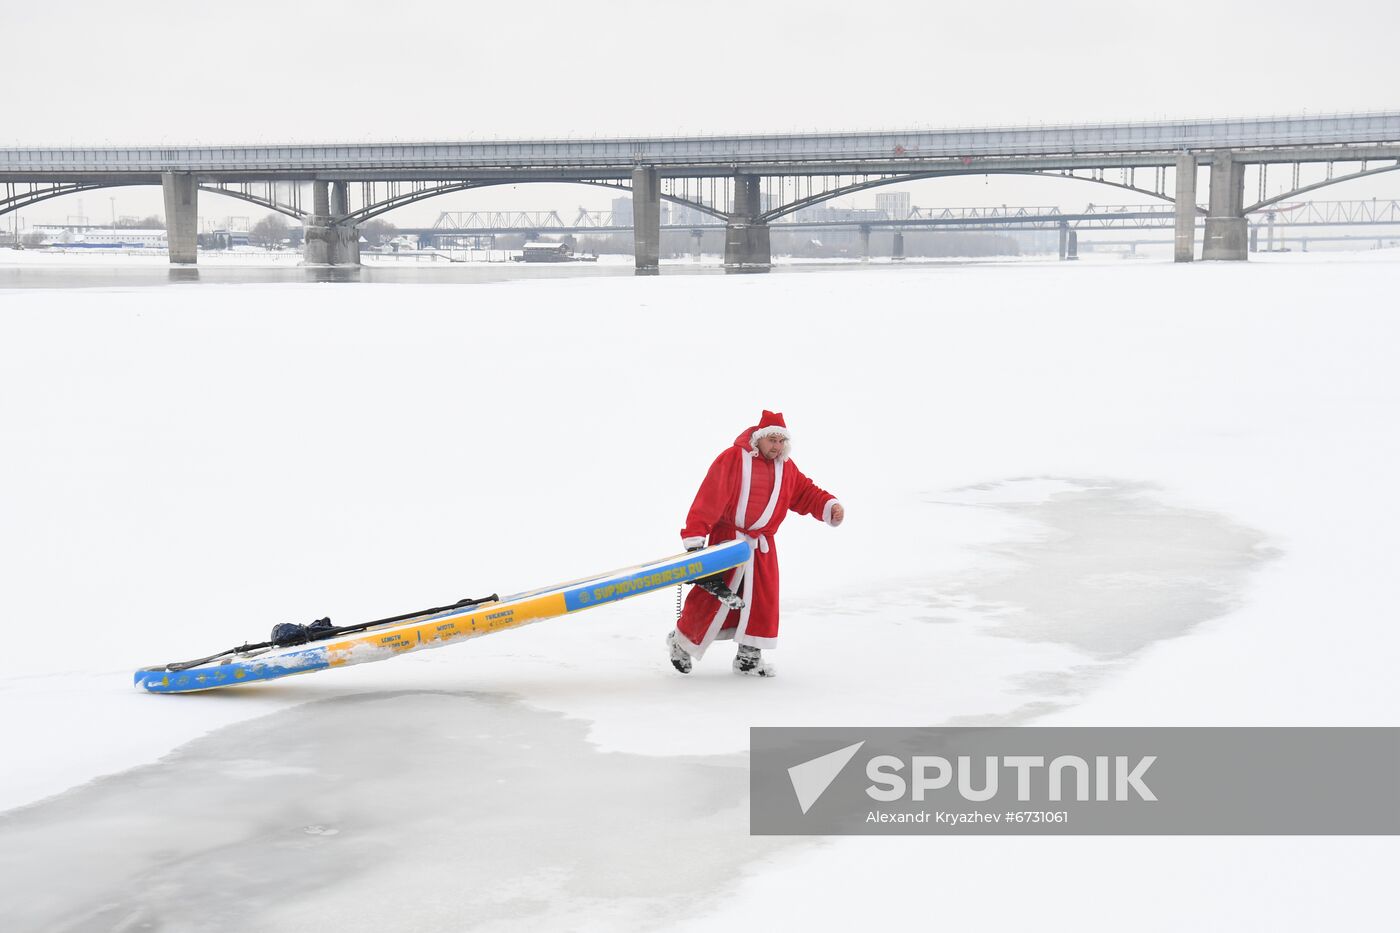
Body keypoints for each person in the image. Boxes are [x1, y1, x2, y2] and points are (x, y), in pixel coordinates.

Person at [668, 410, 844, 677]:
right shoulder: (733, 459)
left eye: (781, 441)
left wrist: (829, 506)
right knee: (709, 598)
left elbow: (805, 493)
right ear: (759, 439)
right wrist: (695, 541)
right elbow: (709, 497)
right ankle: (681, 643)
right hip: (727, 543)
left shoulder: (786, 468)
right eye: (772, 440)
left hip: (761, 547)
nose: (777, 446)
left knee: (761, 601)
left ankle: (749, 657)